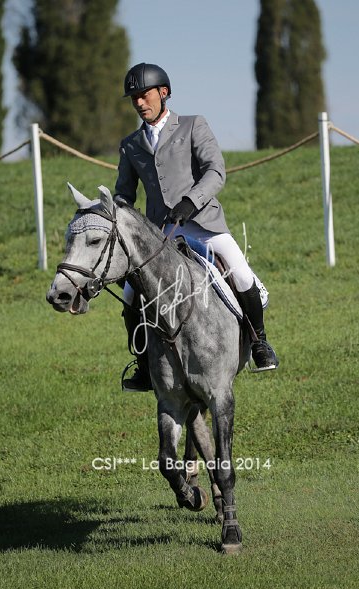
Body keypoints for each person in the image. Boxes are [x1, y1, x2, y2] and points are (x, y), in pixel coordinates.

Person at [114, 62, 278, 392]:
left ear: (163, 92)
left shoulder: (192, 125)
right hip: (161, 235)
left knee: (240, 272)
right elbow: (124, 194)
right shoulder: (131, 144)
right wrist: (117, 217)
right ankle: (144, 364)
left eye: (144, 95)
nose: (140, 103)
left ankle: (260, 342)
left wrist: (191, 201)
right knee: (131, 295)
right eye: (134, 98)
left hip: (203, 224)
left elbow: (215, 171)